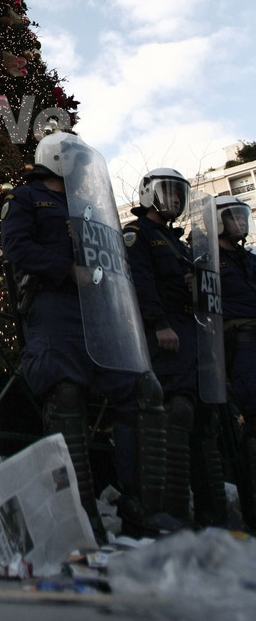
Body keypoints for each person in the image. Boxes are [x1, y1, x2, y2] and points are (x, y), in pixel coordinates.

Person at [1, 132, 174, 541]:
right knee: (65, 394)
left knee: (141, 391)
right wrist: (67, 270)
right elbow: (16, 248)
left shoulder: (89, 205)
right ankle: (79, 517)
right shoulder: (26, 198)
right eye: (73, 158)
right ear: (56, 157)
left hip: (100, 311)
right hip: (54, 306)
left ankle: (142, 509)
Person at [123, 169, 227, 527]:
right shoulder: (137, 235)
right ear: (149, 194)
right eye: (167, 193)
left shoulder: (178, 244)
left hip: (191, 332)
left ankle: (213, 515)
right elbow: (140, 281)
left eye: (179, 195)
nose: (175, 201)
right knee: (175, 411)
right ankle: (174, 510)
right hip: (165, 330)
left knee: (203, 417)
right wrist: (159, 324)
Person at [216, 195, 256, 528]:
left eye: (242, 217)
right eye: (233, 218)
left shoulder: (248, 259)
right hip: (239, 342)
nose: (240, 224)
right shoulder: (208, 258)